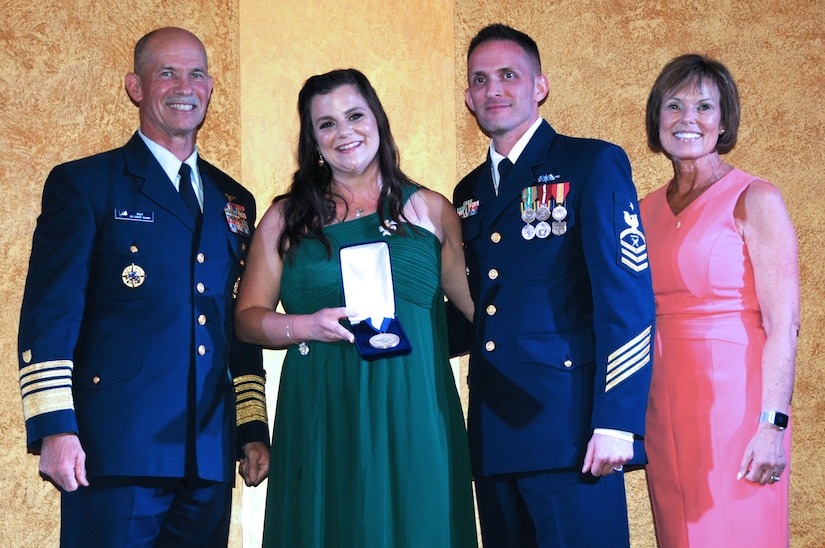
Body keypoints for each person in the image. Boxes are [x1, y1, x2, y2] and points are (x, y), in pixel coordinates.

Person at [17, 27, 269, 547]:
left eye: (196, 73)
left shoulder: (234, 201)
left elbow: (237, 322)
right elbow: (51, 313)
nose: (185, 86)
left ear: (211, 86)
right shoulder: (86, 184)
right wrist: (54, 428)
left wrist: (250, 427)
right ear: (135, 86)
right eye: (167, 73)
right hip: (115, 450)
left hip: (208, 453)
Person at [234, 68, 478, 547]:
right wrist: (304, 325)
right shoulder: (285, 219)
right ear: (313, 141)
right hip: (323, 408)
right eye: (325, 124)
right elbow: (246, 320)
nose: (343, 132)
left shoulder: (433, 210)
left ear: (377, 120)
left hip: (416, 409)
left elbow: (482, 316)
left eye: (354, 115)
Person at [451, 23, 655, 546]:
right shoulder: (467, 193)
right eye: (479, 79)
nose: (493, 89)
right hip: (494, 433)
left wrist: (618, 421)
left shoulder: (591, 163)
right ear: (468, 97)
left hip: (572, 434)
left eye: (508, 75)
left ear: (539, 86)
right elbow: (472, 312)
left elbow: (626, 299)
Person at [640, 53, 799, 547]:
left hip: (739, 410)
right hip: (661, 405)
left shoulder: (757, 198)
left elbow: (784, 323)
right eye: (674, 106)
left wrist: (772, 424)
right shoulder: (639, 209)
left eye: (704, 106)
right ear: (656, 119)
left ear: (724, 120)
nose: (688, 119)